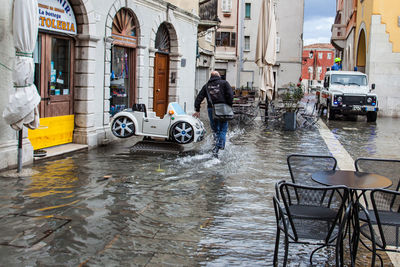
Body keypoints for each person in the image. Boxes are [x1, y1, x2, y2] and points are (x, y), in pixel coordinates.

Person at [193, 71, 234, 158]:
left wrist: (197, 110)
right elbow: (230, 95)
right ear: (218, 76)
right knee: (223, 129)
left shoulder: (206, 86)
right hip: (223, 108)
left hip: (211, 109)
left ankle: (215, 148)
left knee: (215, 129)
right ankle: (220, 148)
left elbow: (199, 98)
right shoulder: (224, 83)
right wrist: (229, 105)